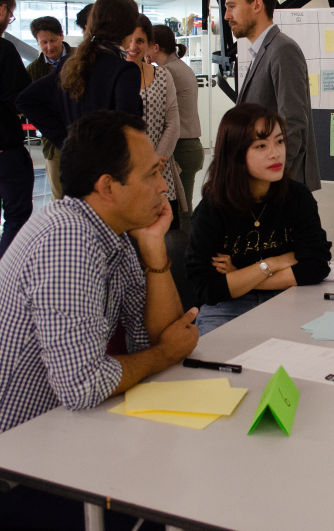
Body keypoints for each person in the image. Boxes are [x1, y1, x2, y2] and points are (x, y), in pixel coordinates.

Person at [0, 109, 197, 529]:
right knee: (168, 496)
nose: (164, 186)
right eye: (150, 175)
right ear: (108, 186)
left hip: (60, 439)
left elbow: (158, 336)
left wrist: (154, 251)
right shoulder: (67, 240)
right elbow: (85, 385)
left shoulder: (111, 232)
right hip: (18, 470)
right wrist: (164, 353)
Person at [185, 103, 331, 335]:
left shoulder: (297, 196)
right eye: (261, 145)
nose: (275, 153)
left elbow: (316, 266)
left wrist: (242, 274)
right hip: (228, 308)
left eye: (280, 141)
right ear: (236, 153)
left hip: (289, 298)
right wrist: (277, 262)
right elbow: (207, 288)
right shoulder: (214, 207)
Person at [224, 0, 321, 192]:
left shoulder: (283, 50)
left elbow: (293, 122)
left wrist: (275, 177)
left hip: (279, 183)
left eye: (232, 6)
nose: (227, 15)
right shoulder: (262, 51)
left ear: (257, 5)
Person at [16, 0, 141, 151]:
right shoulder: (124, 70)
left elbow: (26, 101)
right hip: (110, 167)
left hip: (77, 167)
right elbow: (128, 130)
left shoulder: (69, 63)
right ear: (129, 28)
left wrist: (67, 141)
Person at [126, 15, 184, 230]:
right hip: (127, 171)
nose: (133, 46)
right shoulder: (111, 77)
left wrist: (155, 162)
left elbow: (173, 123)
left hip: (161, 170)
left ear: (149, 45)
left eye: (140, 41)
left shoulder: (163, 75)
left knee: (167, 237)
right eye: (129, 40)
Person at [147, 24, 204, 235]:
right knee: (183, 205)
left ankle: (185, 256)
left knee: (181, 209)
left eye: (144, 43)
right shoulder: (180, 66)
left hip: (181, 147)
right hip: (189, 145)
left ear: (155, 47)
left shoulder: (166, 72)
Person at [0, 0, 34, 260]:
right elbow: (20, 100)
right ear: (2, 10)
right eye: (11, 16)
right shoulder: (4, 50)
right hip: (5, 151)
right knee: (17, 215)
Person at [26, 16, 75, 200]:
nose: (49, 47)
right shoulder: (34, 70)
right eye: (43, 42)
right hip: (54, 142)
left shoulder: (80, 59)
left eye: (53, 40)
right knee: (59, 196)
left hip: (84, 136)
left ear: (62, 35)